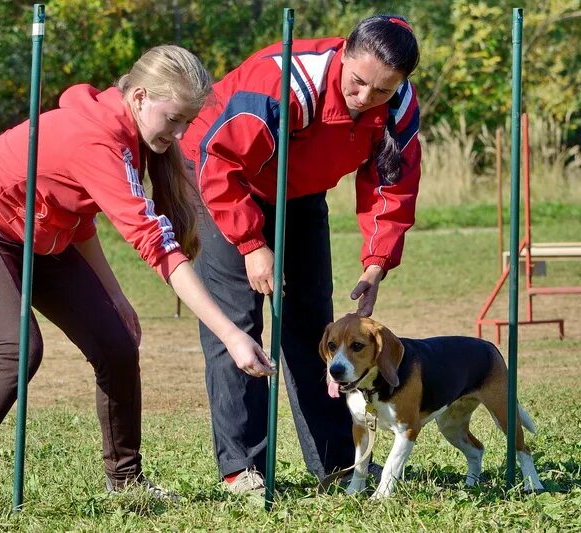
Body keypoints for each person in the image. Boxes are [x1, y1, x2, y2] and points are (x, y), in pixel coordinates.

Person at [0, 44, 276, 523]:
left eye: (186, 123)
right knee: (19, 348)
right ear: (141, 97)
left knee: (116, 342)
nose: (178, 134)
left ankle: (125, 482)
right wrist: (232, 335)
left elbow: (78, 215)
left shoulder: (128, 133)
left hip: (42, 233)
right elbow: (157, 246)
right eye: (173, 119)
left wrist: (114, 297)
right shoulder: (97, 138)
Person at [179, 14, 422, 494]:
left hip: (301, 190)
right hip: (220, 179)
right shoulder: (282, 83)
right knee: (237, 324)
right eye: (358, 83)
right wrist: (252, 244)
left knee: (318, 326)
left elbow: (392, 187)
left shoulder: (398, 105)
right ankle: (241, 468)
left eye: (382, 91)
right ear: (344, 54)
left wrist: (376, 264)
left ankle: (335, 462)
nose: (365, 99)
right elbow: (218, 160)